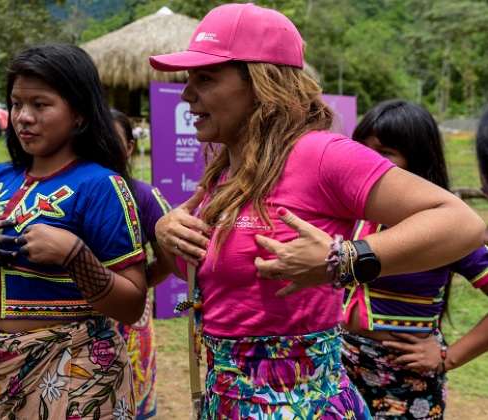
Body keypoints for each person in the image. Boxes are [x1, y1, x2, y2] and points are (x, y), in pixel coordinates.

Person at [149, 4, 484, 419]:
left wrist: (344, 259)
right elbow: (210, 281)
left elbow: (461, 223)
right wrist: (167, 231)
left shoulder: (319, 154)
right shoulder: (227, 169)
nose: (186, 94)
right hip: (227, 401)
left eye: (205, 78)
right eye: (188, 79)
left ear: (260, 83)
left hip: (301, 405)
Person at [0, 44, 147, 419]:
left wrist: (77, 258)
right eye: (17, 104)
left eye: (40, 105)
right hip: (5, 373)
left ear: (80, 114)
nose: (23, 117)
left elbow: (133, 305)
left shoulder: (101, 186)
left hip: (76, 374)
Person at [341, 100, 488, 419]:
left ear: (418, 160)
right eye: (361, 150)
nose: (368, 161)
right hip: (337, 370)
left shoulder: (444, 229)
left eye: (384, 152)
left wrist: (448, 357)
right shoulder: (347, 214)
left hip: (405, 380)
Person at [112, 109, 172, 419]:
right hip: (77, 324)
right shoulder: (69, 193)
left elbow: (168, 258)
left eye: (114, 140)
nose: (104, 146)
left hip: (130, 326)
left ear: (130, 148)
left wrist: (138, 285)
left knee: (133, 403)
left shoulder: (143, 196)